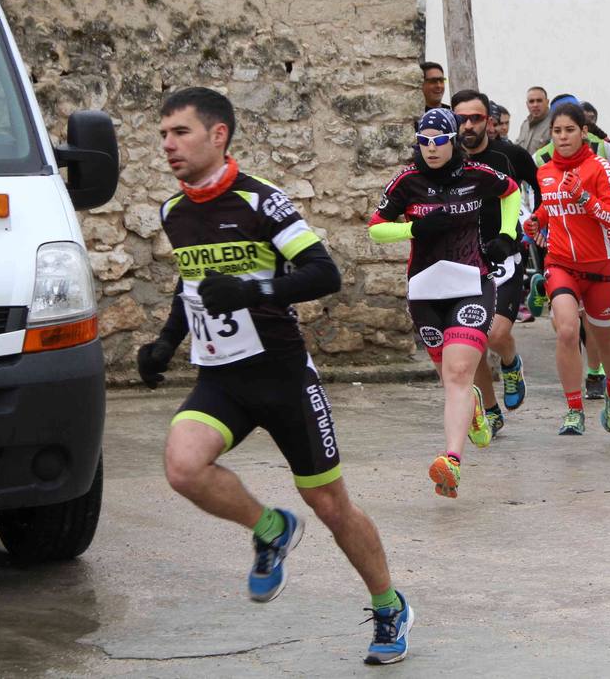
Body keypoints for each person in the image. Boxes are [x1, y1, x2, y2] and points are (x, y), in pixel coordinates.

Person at [138, 87, 413, 664]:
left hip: (283, 375)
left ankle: (389, 606)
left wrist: (254, 288)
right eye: (163, 133)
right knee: (184, 467)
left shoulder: (263, 203)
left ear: (218, 135)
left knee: (332, 507)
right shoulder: (174, 212)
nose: (167, 144)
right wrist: (166, 341)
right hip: (221, 378)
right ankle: (269, 528)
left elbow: (323, 273)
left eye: (179, 132)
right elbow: (191, 282)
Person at [368, 108, 521, 498]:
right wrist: (413, 227)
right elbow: (376, 228)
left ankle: (450, 461)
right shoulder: (407, 180)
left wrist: (506, 235)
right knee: (450, 379)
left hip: (471, 283)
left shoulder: (476, 175)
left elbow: (511, 190)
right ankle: (473, 408)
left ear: (453, 141)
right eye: (424, 141)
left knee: (456, 373)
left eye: (439, 140)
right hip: (425, 291)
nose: (431, 148)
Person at [523, 103, 610, 436]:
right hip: (561, 264)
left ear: (583, 132)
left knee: (605, 338)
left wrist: (585, 199)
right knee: (567, 330)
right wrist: (537, 220)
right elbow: (550, 207)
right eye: (557, 131)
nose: (563, 137)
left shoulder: (598, 167)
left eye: (570, 130)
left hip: (600, 268)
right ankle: (573, 408)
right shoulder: (545, 171)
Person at [451, 90, 541, 430]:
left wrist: (539, 219)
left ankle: (510, 361)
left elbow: (541, 187)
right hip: (463, 260)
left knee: (495, 333)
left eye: (476, 118)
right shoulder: (446, 159)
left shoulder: (510, 155)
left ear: (489, 121)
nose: (469, 125)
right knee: (470, 338)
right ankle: (490, 410)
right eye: (462, 119)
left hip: (504, 256)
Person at [516, 86, 552, 154]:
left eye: (539, 101)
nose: (535, 105)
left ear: (547, 102)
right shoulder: (525, 125)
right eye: (531, 101)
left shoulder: (553, 124)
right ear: (527, 104)